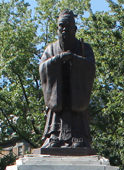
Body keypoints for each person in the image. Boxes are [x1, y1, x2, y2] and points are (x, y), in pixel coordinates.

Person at [39, 10, 95, 149]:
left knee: (77, 115)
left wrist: (74, 59)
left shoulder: (84, 48)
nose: (64, 30)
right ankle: (53, 136)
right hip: (57, 92)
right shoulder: (51, 49)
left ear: (75, 29)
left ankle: (79, 136)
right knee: (55, 112)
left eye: (68, 27)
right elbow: (43, 68)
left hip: (75, 93)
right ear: (57, 29)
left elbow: (90, 67)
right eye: (61, 26)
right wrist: (58, 59)